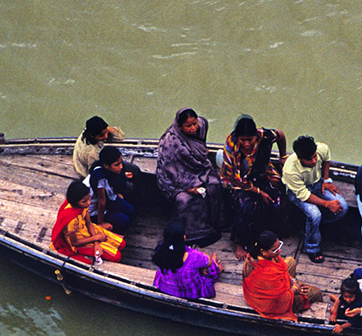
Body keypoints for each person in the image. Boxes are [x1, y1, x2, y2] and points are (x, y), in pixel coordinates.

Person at [155, 107, 227, 246]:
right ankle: (191, 233)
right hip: (176, 179)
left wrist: (201, 150)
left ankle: (217, 223)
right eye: (188, 126)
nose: (194, 128)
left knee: (214, 185)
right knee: (185, 200)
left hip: (198, 169)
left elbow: (199, 146)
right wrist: (188, 187)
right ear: (180, 127)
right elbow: (169, 171)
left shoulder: (202, 125)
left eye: (194, 124)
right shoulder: (170, 142)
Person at [220, 115, 287, 258]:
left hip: (259, 173)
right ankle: (240, 242)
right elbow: (234, 177)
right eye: (242, 140)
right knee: (246, 206)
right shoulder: (231, 145)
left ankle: (268, 235)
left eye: (249, 140)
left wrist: (283, 156)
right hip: (237, 180)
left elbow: (280, 134)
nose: (246, 144)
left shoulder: (264, 136)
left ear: (256, 137)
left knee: (277, 197)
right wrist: (259, 192)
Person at [281, 135, 349, 263]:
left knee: (343, 208)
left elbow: (327, 156)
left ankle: (310, 228)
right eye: (309, 159)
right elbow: (303, 195)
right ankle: (312, 247)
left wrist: (326, 179)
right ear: (299, 158)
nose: (313, 161)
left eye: (314, 156)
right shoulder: (290, 170)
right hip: (298, 192)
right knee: (315, 215)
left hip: (317, 184)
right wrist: (328, 204)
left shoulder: (320, 149)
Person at [242, 230, 322, 321]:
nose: (279, 250)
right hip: (269, 304)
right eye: (275, 250)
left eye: (279, 245)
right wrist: (295, 288)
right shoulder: (267, 273)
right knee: (316, 292)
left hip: (271, 287)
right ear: (263, 251)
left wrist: (292, 281)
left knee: (290, 261)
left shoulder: (256, 255)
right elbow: (281, 300)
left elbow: (282, 271)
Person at [50, 180, 125, 264]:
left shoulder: (82, 206)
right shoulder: (71, 220)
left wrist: (96, 243)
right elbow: (75, 243)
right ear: (75, 202)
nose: (89, 203)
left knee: (122, 244)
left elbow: (88, 223)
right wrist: (96, 238)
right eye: (84, 201)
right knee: (116, 256)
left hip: (88, 230)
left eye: (89, 199)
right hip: (80, 242)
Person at [152, 221, 223, 299]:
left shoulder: (160, 251)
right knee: (211, 267)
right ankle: (218, 269)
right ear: (184, 237)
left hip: (167, 288)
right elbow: (209, 262)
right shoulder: (194, 256)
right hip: (190, 293)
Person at [87, 145, 138, 233]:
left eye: (121, 163)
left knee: (131, 211)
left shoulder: (110, 171)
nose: (121, 167)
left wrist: (117, 192)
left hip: (110, 198)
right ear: (106, 166)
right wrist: (101, 223)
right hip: (95, 209)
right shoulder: (100, 179)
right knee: (125, 221)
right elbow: (102, 202)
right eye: (117, 165)